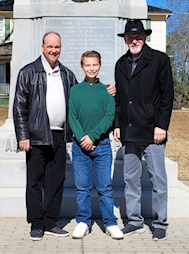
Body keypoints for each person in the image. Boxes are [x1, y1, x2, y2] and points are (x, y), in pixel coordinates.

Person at [13, 32, 116, 241]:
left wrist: (110, 89)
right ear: (42, 47)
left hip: (60, 136)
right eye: (50, 46)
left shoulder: (67, 74)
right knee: (35, 181)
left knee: (56, 180)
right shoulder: (28, 72)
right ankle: (36, 224)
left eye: (57, 47)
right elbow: (19, 106)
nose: (53, 50)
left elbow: (83, 98)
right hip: (36, 135)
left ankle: (51, 222)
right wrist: (22, 135)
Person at [113, 20, 175, 241]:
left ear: (145, 37)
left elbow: (167, 96)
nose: (134, 40)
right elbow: (119, 99)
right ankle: (134, 221)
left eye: (138, 36)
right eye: (130, 37)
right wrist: (117, 125)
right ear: (125, 39)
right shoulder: (120, 63)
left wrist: (162, 126)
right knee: (130, 179)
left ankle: (160, 223)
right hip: (129, 132)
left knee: (157, 179)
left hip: (152, 131)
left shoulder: (159, 60)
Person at [68, 51, 123, 240]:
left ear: (100, 66)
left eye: (95, 65)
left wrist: (92, 136)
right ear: (82, 67)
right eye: (87, 65)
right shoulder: (75, 90)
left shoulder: (107, 90)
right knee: (82, 187)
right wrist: (83, 137)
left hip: (102, 146)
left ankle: (110, 222)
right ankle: (83, 221)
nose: (91, 68)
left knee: (105, 187)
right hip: (79, 146)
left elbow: (109, 117)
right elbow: (72, 117)